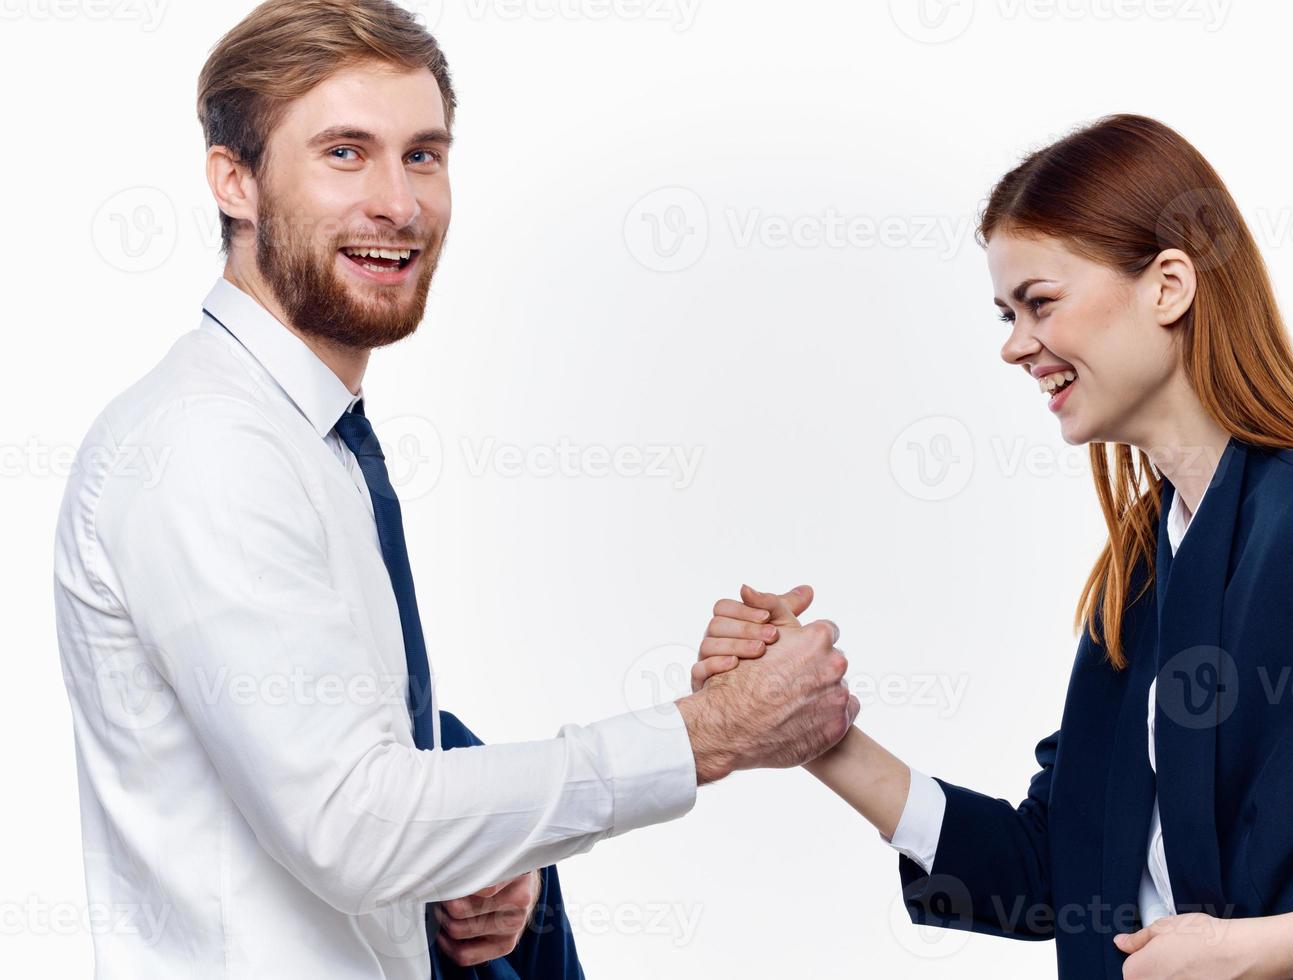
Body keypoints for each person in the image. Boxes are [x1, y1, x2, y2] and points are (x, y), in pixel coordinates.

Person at [51, 2, 858, 977]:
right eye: (345, 153)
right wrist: (707, 733)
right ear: (236, 181)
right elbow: (353, 822)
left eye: (422, 155)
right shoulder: (206, 448)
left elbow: (357, 754)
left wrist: (489, 854)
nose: (398, 202)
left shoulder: (308, 433)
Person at [696, 114, 1293, 980]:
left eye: (1041, 302)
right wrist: (814, 732)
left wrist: (1253, 953)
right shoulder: (1144, 569)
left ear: (1169, 286)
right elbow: (1055, 873)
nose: (1014, 343)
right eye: (1005, 311)